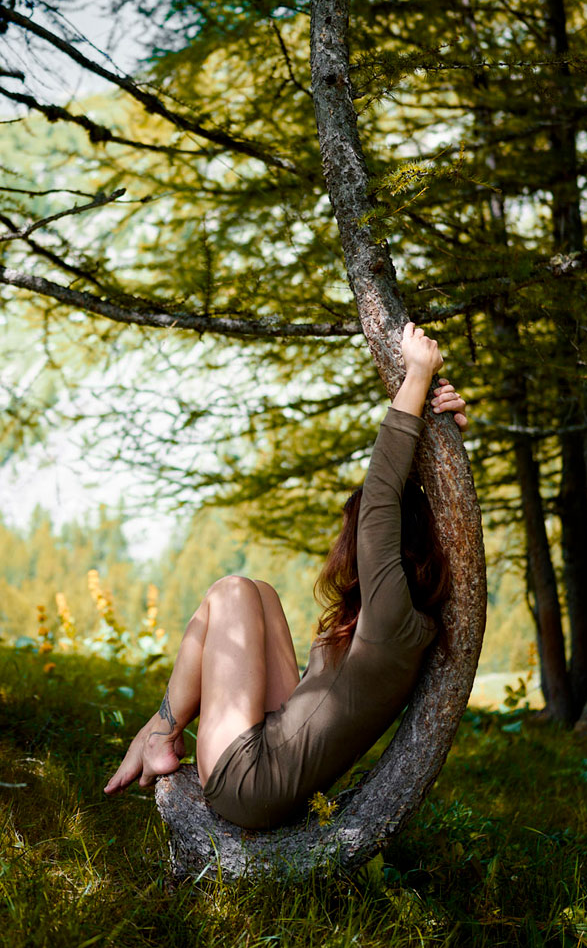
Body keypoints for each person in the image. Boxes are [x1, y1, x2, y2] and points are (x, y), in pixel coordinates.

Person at [104, 323, 468, 829]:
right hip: (274, 766)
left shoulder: (390, 619)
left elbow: (382, 490)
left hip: (248, 786)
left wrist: (418, 375)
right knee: (259, 594)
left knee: (229, 591)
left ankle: (160, 735)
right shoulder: (409, 621)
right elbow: (407, 504)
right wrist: (439, 423)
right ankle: (158, 733)